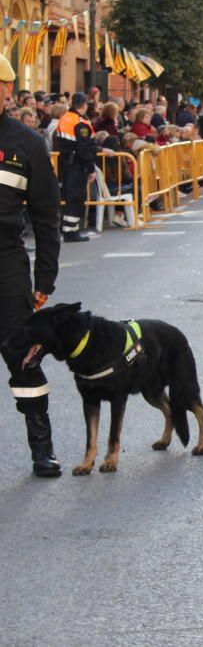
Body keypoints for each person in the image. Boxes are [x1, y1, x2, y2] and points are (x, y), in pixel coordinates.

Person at [0, 54, 63, 477]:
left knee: (23, 358)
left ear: (6, 91)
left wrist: (45, 278)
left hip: (5, 264)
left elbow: (46, 215)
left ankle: (42, 447)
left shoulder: (25, 142)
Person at [54, 92, 96, 242]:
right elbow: (84, 149)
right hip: (77, 164)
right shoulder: (80, 123)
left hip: (66, 162)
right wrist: (91, 169)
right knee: (77, 197)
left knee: (70, 197)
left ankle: (68, 228)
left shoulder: (64, 118)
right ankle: (71, 231)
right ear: (84, 105)